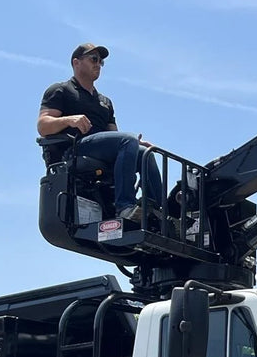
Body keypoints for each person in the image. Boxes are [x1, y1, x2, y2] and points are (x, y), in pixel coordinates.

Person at [37, 43, 163, 223]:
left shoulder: (105, 102)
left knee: (145, 154)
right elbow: (43, 125)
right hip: (75, 148)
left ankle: (156, 210)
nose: (98, 64)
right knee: (128, 141)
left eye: (101, 62)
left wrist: (137, 144)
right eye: (93, 59)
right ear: (76, 63)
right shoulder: (61, 90)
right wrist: (69, 120)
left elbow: (114, 135)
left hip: (102, 148)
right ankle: (124, 206)